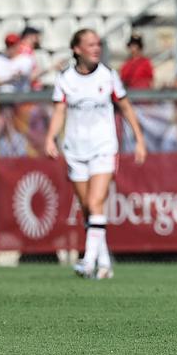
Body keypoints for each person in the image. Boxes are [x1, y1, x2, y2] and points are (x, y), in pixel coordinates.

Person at [45, 29, 147, 280]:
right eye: (90, 44)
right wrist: (50, 137)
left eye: (97, 44)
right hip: (75, 150)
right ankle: (104, 263)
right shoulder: (65, 78)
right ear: (77, 49)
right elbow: (59, 111)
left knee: (95, 203)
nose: (95, 48)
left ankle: (88, 261)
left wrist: (139, 139)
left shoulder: (108, 76)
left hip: (104, 147)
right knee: (88, 210)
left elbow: (125, 106)